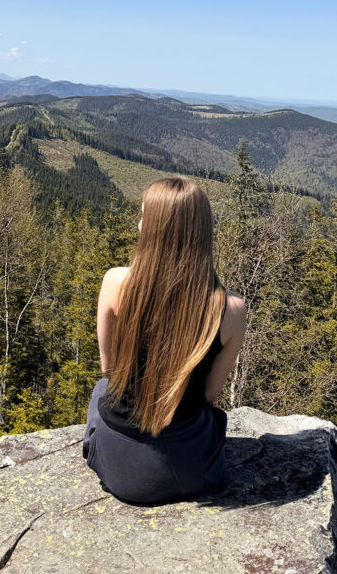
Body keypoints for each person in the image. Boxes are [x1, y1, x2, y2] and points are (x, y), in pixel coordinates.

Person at [83, 176, 247, 504]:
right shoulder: (232, 309)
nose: (140, 223)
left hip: (117, 466)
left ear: (156, 229)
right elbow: (210, 395)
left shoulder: (115, 282)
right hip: (190, 471)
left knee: (101, 391)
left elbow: (108, 369)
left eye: (144, 216)